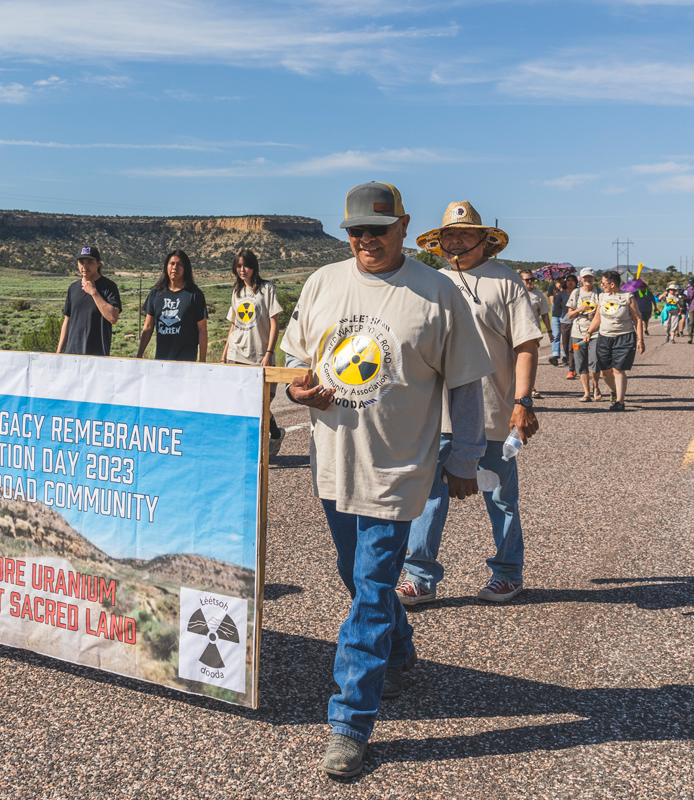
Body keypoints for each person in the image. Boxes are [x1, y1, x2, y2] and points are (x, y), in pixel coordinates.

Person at [281, 182, 492, 778]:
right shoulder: (323, 283)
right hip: (334, 460)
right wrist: (297, 391)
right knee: (355, 576)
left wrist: (465, 460)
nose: (365, 241)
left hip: (400, 468)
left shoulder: (436, 293)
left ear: (402, 227)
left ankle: (350, 720)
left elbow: (465, 386)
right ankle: (399, 653)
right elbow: (294, 365)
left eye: (377, 229)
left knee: (373, 589)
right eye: (355, 231)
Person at [399, 201, 542, 609]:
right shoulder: (429, 282)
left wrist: (523, 401)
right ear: (438, 242)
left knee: (498, 496)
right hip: (435, 413)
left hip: (493, 411)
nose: (456, 241)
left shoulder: (506, 281)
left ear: (485, 240)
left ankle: (507, 573)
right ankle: (419, 576)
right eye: (449, 235)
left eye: (465, 234)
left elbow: (526, 345)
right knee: (427, 497)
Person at [219, 249, 284, 456]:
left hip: (259, 356)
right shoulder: (237, 292)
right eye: (238, 266)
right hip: (236, 354)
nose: (241, 270)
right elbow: (234, 325)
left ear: (254, 266)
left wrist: (269, 352)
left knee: (261, 406)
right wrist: (224, 354)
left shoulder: (267, 289)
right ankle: (248, 451)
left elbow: (275, 323)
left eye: (245, 266)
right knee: (239, 404)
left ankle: (274, 434)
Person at [584, 270, 644, 411]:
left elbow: (637, 319)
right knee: (605, 372)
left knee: (618, 369)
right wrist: (589, 332)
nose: (601, 284)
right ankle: (614, 390)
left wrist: (640, 339)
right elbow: (598, 317)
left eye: (603, 282)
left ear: (611, 284)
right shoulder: (602, 296)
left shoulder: (628, 297)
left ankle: (620, 402)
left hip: (624, 337)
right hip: (604, 337)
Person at [137, 250, 207, 362]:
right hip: (161, 362)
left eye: (180, 264)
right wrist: (138, 356)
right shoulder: (155, 293)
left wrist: (202, 362)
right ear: (166, 267)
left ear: (185, 269)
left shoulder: (195, 295)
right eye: (172, 263)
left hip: (186, 362)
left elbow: (202, 329)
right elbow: (148, 327)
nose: (175, 267)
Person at [56, 246, 122, 356]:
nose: (85, 266)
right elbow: (67, 320)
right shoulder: (73, 288)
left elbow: (113, 318)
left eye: (90, 262)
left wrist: (94, 292)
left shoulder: (109, 287)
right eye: (81, 262)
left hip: (97, 355)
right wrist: (58, 352)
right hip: (72, 354)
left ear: (98, 263)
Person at [566, 268, 602, 400]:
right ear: (581, 279)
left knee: (595, 360)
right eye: (585, 277)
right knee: (580, 362)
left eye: (590, 277)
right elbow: (569, 314)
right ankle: (586, 392)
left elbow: (605, 311)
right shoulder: (576, 293)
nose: (588, 280)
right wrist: (579, 309)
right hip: (578, 331)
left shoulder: (599, 293)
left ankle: (596, 388)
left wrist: (597, 315)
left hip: (595, 332)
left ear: (594, 278)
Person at [549, 276, 568, 366]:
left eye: (561, 278)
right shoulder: (552, 288)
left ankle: (565, 356)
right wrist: (557, 294)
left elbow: (566, 303)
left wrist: (561, 291)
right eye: (557, 278)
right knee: (556, 336)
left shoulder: (568, 288)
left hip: (566, 315)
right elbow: (554, 304)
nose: (559, 280)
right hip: (555, 315)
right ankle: (555, 356)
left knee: (565, 337)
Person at [561, 274, 578, 377]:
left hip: (576, 322)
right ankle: (571, 362)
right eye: (568, 280)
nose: (570, 282)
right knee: (565, 346)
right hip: (565, 321)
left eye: (572, 280)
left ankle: (572, 369)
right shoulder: (561, 294)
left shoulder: (579, 293)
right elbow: (555, 309)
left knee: (572, 347)